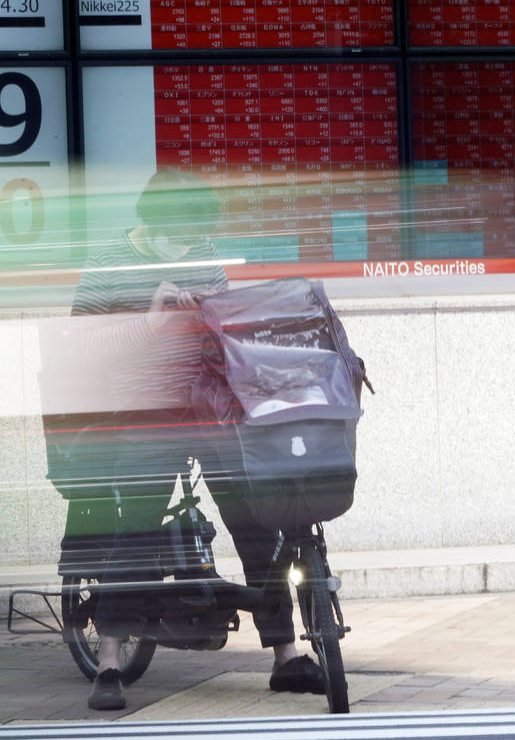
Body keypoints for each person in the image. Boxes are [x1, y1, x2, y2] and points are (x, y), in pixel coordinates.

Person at [69, 168, 326, 711]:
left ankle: (286, 657)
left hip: (212, 408)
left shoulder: (203, 252)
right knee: (136, 524)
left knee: (258, 518)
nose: (187, 244)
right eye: (178, 232)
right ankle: (110, 663)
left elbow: (230, 333)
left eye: (194, 235)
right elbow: (79, 347)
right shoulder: (109, 263)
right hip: (145, 413)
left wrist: (219, 313)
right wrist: (150, 322)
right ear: (151, 218)